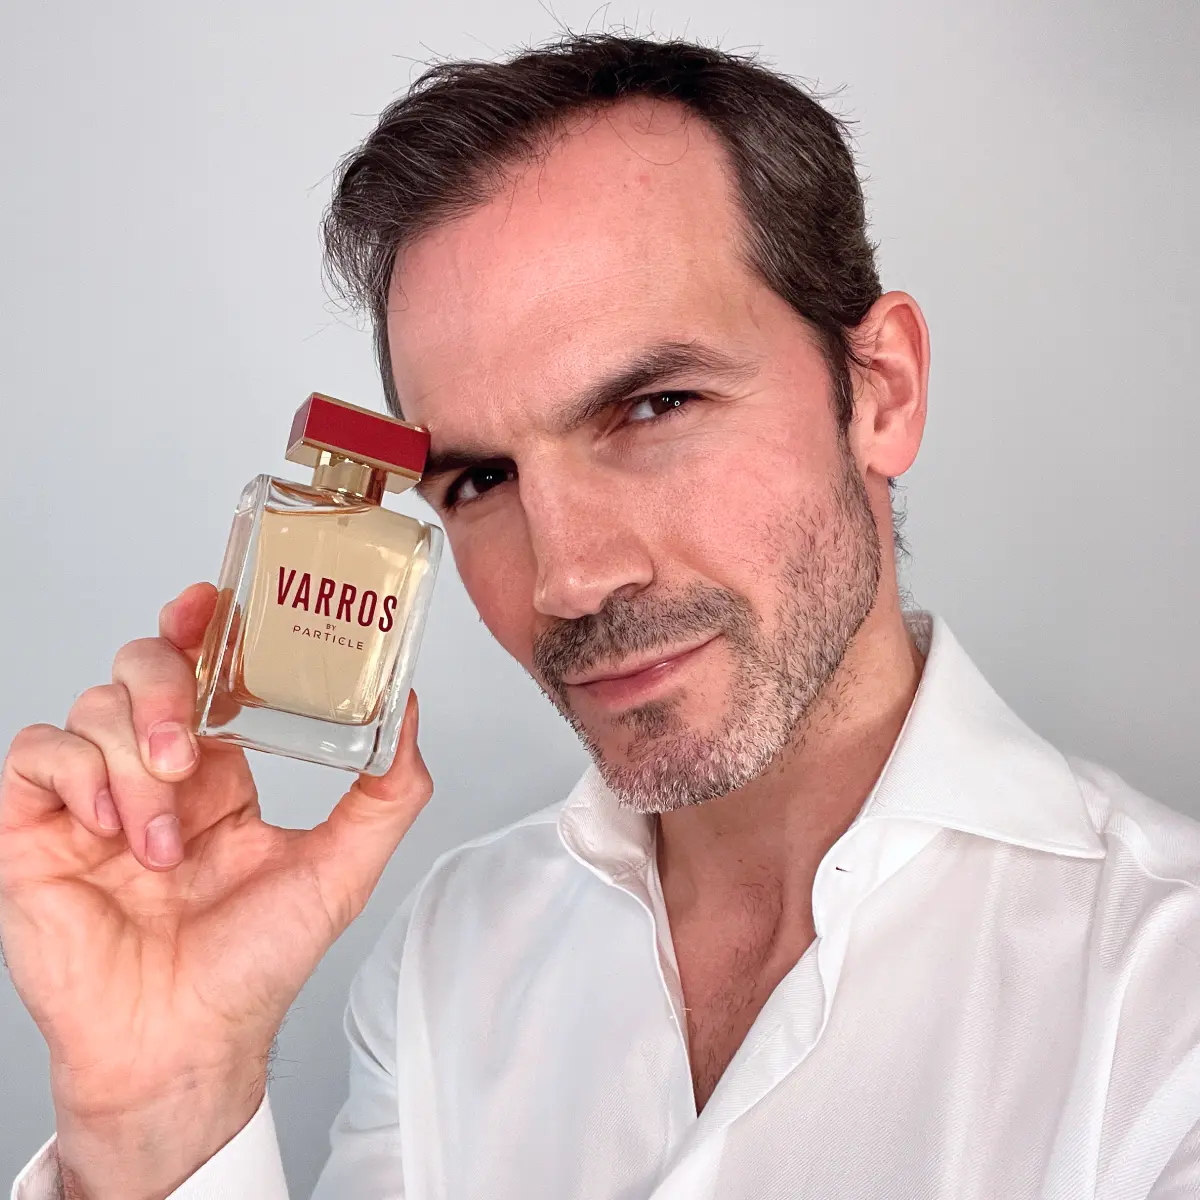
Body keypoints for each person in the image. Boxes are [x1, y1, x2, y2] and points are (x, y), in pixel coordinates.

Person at [4, 31, 1199, 1200]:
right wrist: (164, 1110)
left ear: (880, 391)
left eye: (654, 406)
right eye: (481, 480)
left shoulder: (1164, 996)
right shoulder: (448, 956)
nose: (567, 579)